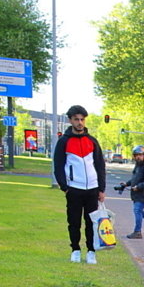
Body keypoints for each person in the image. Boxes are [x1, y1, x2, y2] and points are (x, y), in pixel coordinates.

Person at [53, 105, 106, 264]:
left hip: (92, 188)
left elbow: (100, 166)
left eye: (82, 119)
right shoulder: (64, 141)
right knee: (74, 221)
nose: (80, 122)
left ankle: (91, 251)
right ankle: (75, 250)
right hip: (74, 188)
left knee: (91, 222)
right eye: (76, 119)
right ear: (70, 120)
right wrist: (65, 187)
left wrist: (101, 188)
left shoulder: (92, 141)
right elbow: (58, 166)